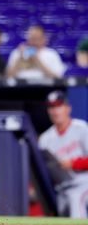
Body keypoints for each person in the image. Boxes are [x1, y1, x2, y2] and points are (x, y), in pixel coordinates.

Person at [38, 90, 88, 218]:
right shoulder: (45, 138)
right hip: (61, 188)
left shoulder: (81, 128)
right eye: (51, 107)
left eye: (58, 106)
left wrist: (74, 163)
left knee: (76, 200)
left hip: (83, 183)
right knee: (61, 219)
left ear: (68, 108)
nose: (55, 111)